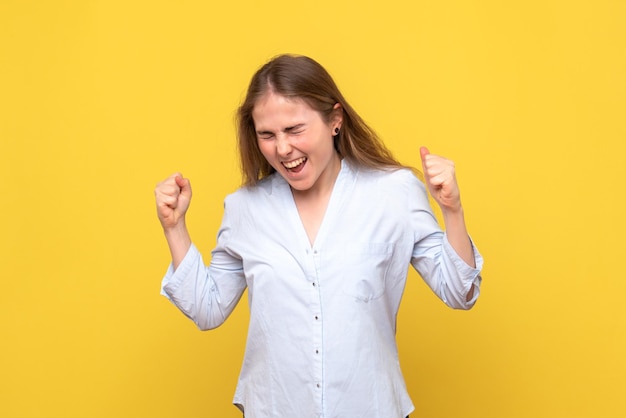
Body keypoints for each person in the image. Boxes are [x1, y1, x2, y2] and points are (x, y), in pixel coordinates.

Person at [155, 54, 483, 418]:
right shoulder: (245, 208)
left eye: (295, 129)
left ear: (335, 120)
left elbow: (459, 291)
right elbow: (207, 309)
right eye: (267, 134)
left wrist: (452, 210)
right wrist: (175, 228)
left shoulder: (395, 193)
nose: (282, 149)